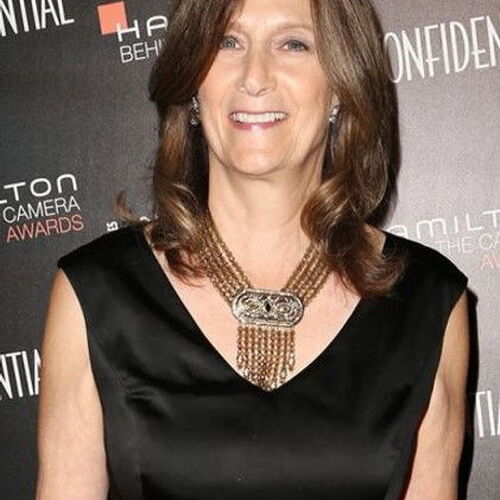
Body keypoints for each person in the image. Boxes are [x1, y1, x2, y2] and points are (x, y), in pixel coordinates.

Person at [36, 0, 470, 499]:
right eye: (228, 42)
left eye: (293, 44)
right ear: (193, 83)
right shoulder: (96, 291)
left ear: (341, 87)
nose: (255, 77)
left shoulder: (425, 299)